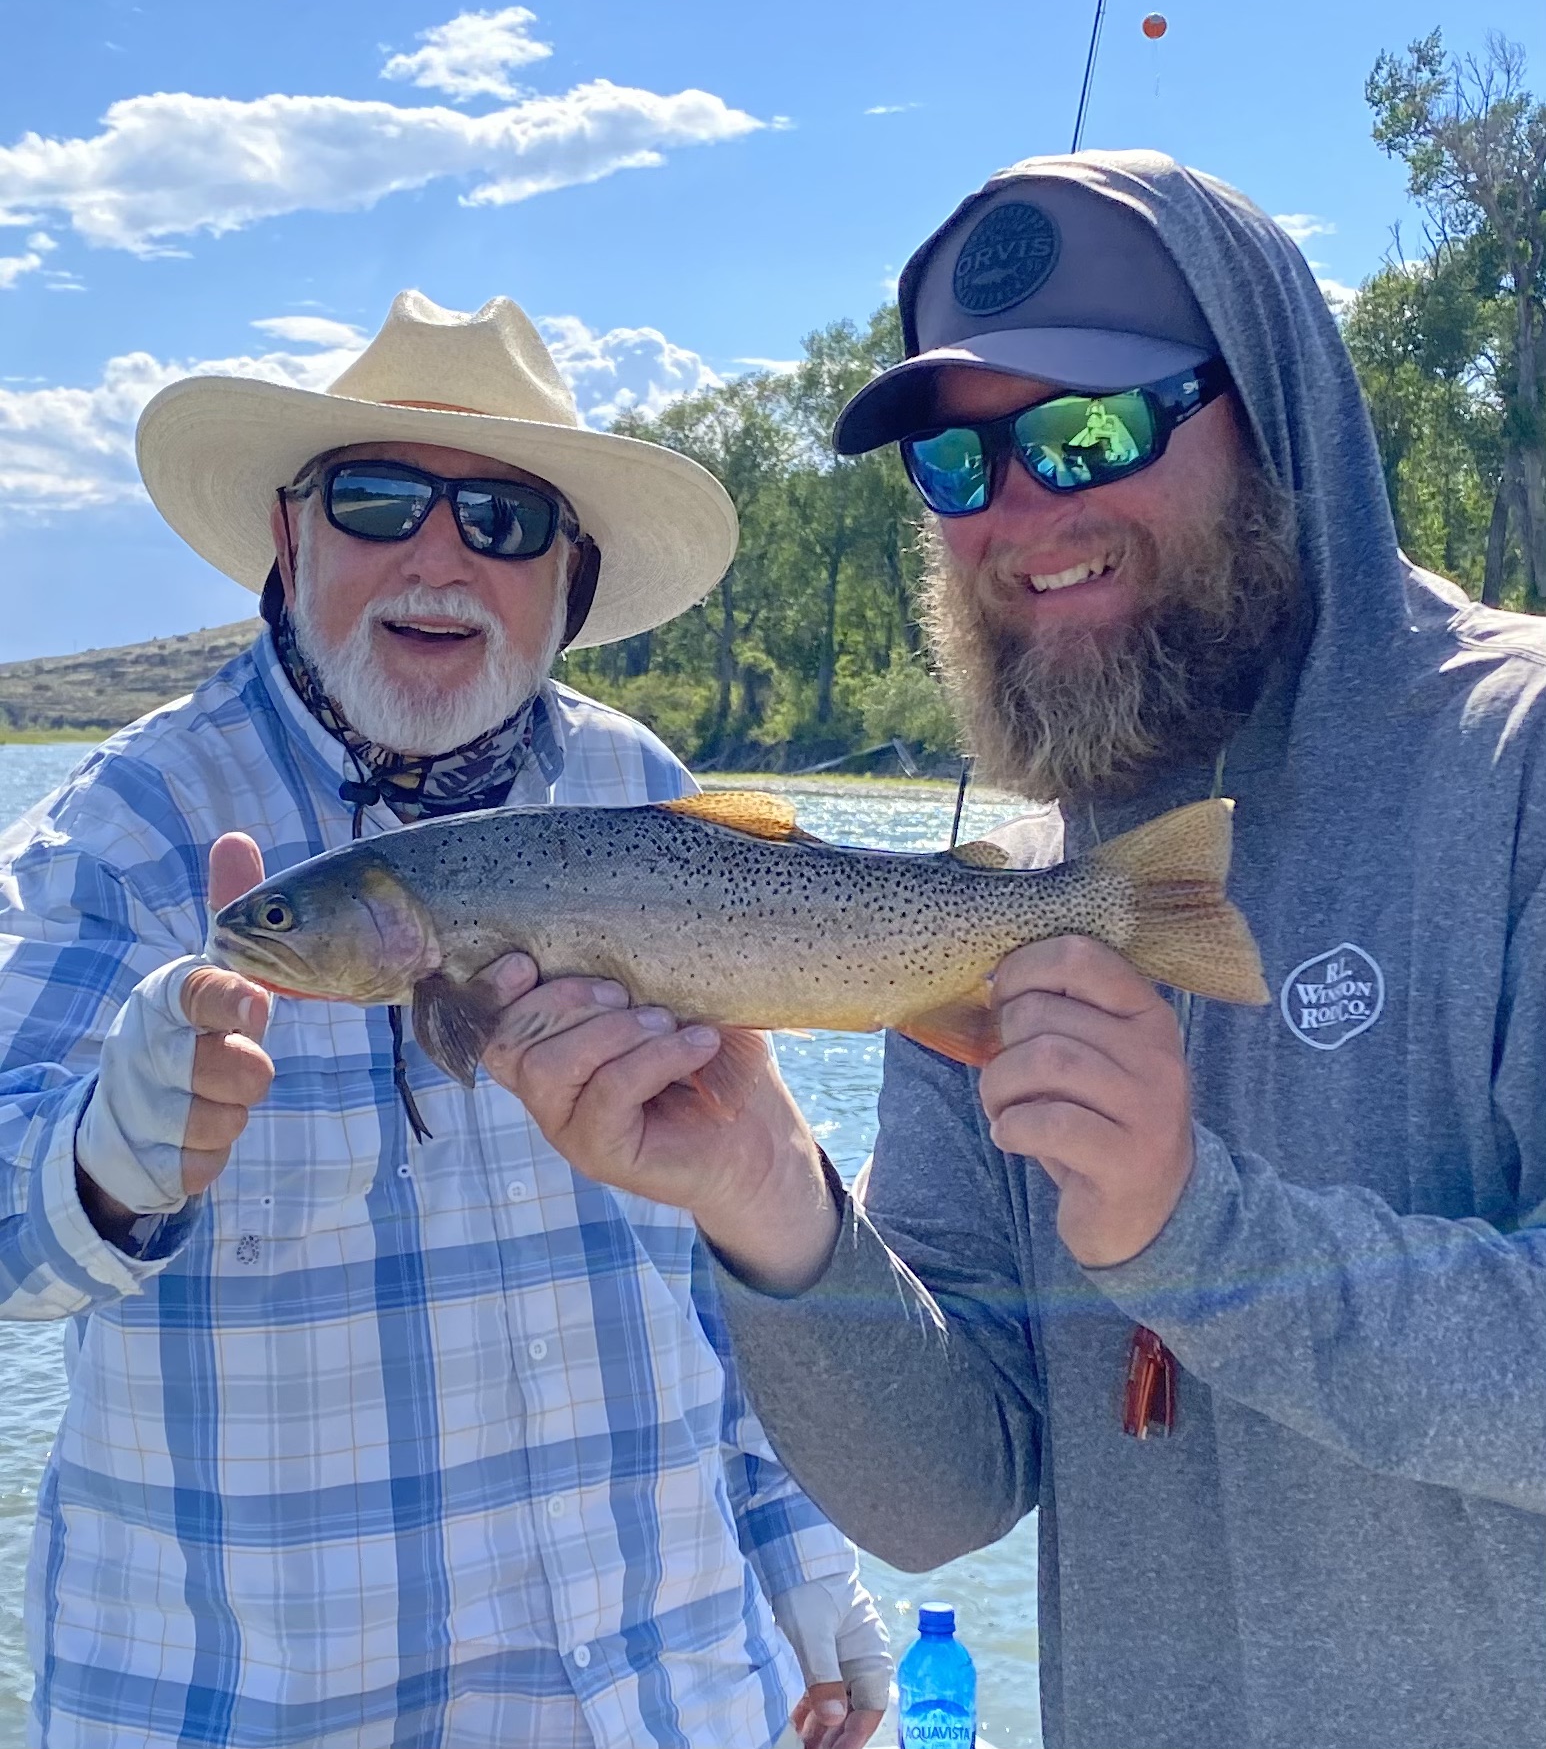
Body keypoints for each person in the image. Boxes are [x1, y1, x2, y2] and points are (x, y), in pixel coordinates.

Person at [477, 153, 1546, 1749]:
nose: (1024, 514)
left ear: (1271, 407)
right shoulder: (1004, 900)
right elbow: (942, 1491)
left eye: (1088, 430)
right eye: (958, 466)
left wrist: (1190, 1226)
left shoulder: (1513, 766)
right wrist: (768, 1198)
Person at [0, 290, 888, 1749]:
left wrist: (812, 1582)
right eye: (379, 497)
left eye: (504, 519)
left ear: (568, 579)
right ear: (291, 540)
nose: (438, 554)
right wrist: (101, 1163)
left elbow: (726, 1230)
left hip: (683, 1697)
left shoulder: (643, 793)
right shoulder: (130, 827)